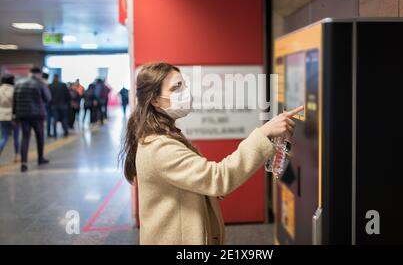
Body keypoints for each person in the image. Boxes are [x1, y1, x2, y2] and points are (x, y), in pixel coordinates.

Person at [119, 62, 303, 245]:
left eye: (184, 84)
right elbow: (217, 178)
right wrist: (263, 134)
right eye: (176, 87)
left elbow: (202, 181)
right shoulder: (160, 147)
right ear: (155, 100)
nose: (185, 92)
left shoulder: (162, 135)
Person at [13, 66, 51, 172]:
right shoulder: (40, 83)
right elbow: (48, 98)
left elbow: (14, 100)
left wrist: (15, 114)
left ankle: (24, 163)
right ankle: (40, 158)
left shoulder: (19, 83)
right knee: (40, 137)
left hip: (23, 115)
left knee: (25, 137)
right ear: (39, 74)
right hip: (37, 115)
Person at [0, 74, 20, 163]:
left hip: (2, 116)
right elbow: (16, 105)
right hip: (13, 117)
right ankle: (17, 156)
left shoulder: (0, 90)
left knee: (4, 137)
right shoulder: (14, 90)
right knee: (16, 136)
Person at [42, 73, 53, 137]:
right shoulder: (48, 84)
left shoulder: (39, 83)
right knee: (48, 118)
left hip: (40, 105)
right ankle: (48, 133)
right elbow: (49, 97)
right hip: (47, 104)